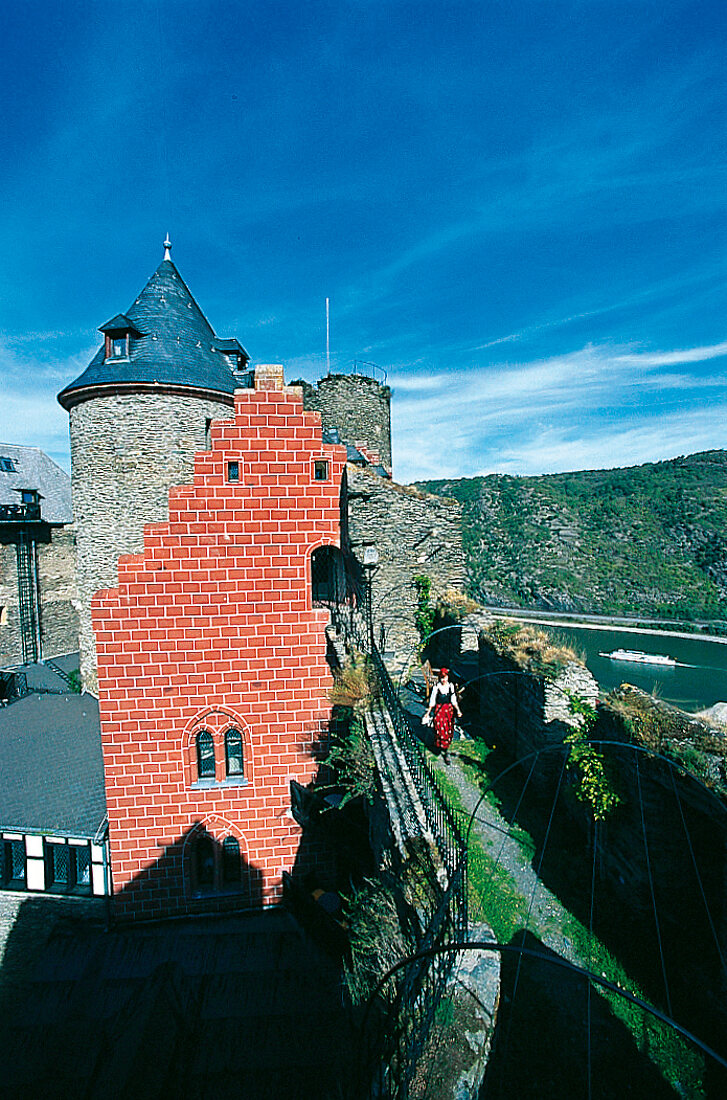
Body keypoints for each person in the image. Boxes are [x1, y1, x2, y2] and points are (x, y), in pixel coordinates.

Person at [424, 667, 461, 764]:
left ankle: (445, 750)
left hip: (448, 711)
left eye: (445, 677)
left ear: (448, 677)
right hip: (439, 711)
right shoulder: (436, 687)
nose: (443, 680)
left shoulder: (451, 686)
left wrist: (458, 710)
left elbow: (453, 700)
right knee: (439, 728)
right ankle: (439, 746)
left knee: (448, 729)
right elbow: (432, 701)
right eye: (441, 678)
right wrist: (428, 713)